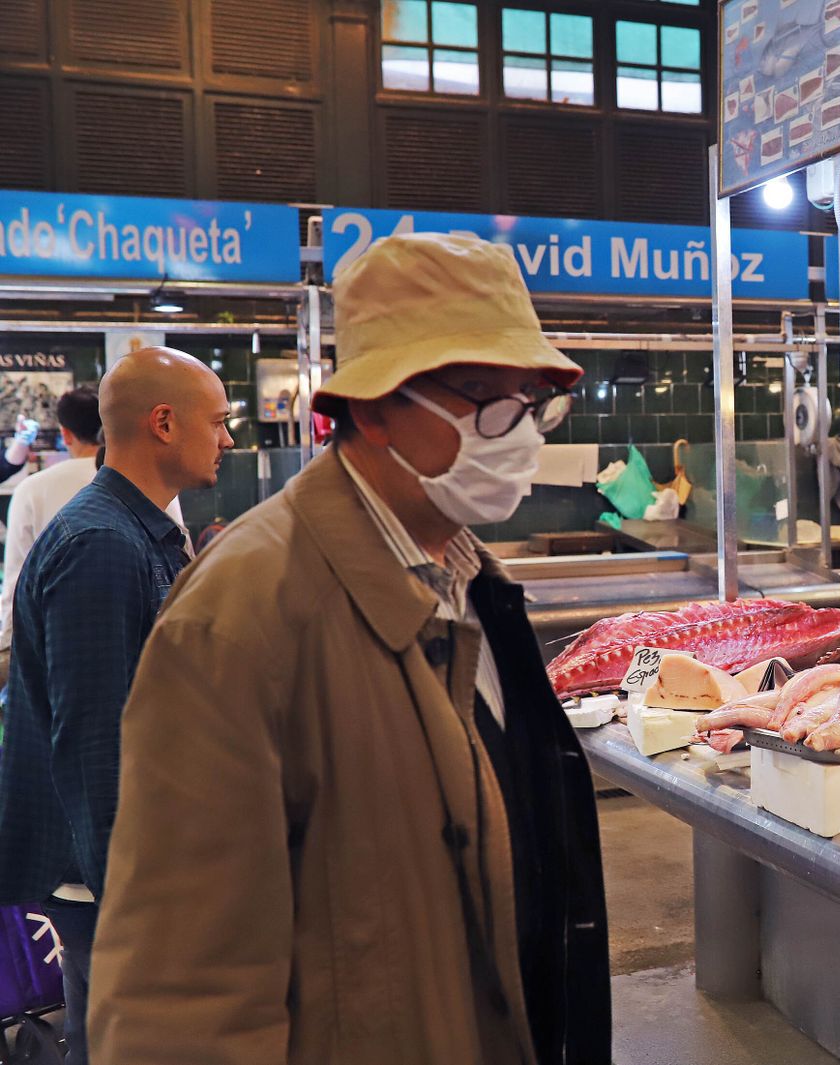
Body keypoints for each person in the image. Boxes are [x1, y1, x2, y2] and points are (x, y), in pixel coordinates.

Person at [89, 233, 610, 1065]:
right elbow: (182, 1003)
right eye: (484, 396)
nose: (516, 433)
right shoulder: (238, 620)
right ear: (371, 407)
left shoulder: (471, 579)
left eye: (530, 401)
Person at [0, 348, 232, 1064]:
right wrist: (126, 894)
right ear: (164, 423)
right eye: (219, 422)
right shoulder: (102, 543)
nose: (227, 439)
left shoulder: (140, 529)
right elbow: (94, 739)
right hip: (107, 879)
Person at [0, 388, 187, 684]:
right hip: (143, 648)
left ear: (65, 433)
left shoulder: (33, 489)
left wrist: (10, 648)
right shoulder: (150, 483)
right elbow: (179, 565)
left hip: (52, 646)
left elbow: (16, 581)